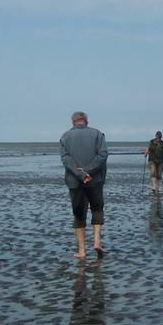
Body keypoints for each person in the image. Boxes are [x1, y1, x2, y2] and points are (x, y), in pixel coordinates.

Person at [61, 111, 108, 260]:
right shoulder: (98, 134)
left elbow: (66, 159)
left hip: (75, 181)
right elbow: (103, 155)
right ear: (86, 121)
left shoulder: (65, 136)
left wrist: (81, 174)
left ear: (73, 122)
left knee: (79, 213)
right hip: (95, 180)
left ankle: (82, 250)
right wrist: (88, 172)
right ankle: (96, 242)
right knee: (97, 209)